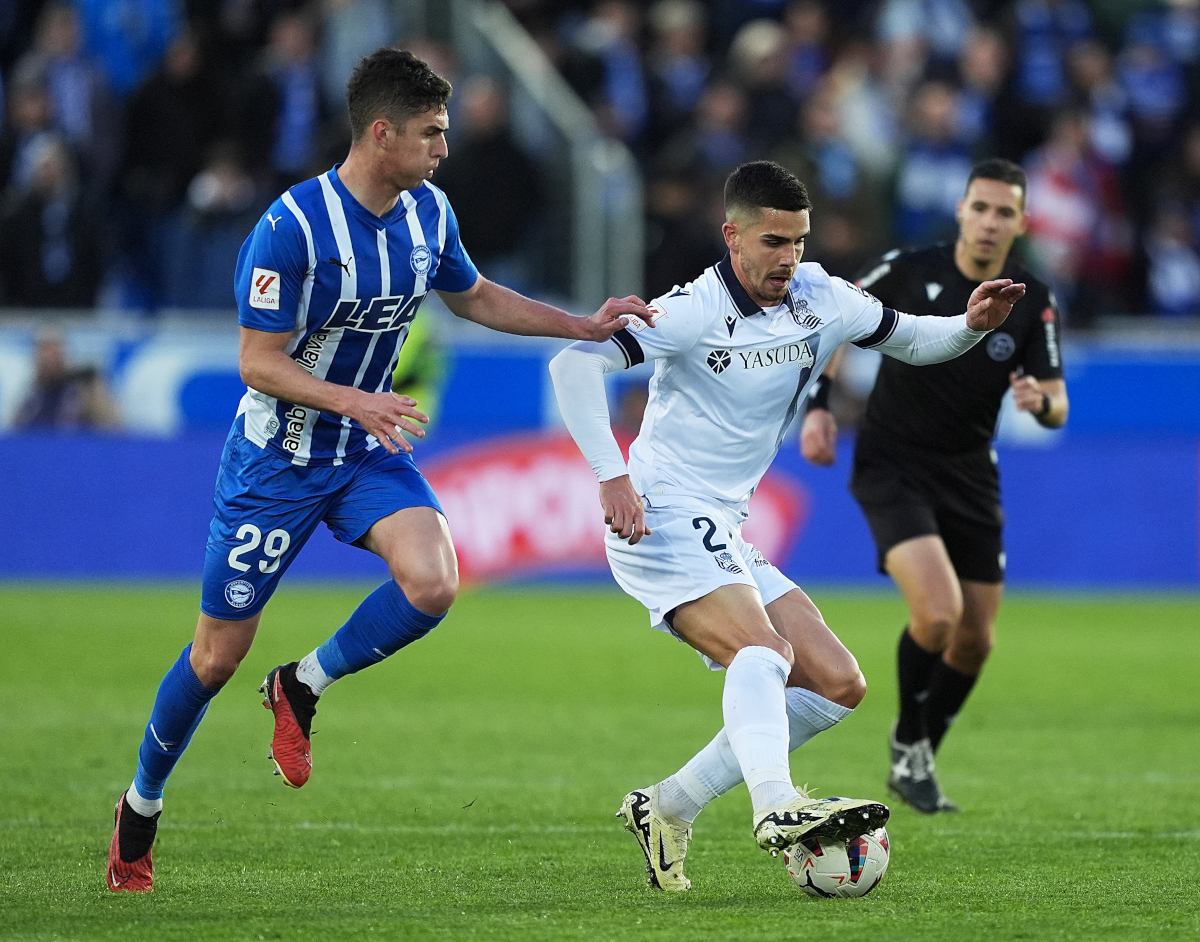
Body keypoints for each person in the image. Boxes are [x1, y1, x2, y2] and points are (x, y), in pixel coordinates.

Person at [106, 48, 648, 893]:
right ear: (382, 133)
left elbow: (472, 295)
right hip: (277, 462)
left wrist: (580, 326)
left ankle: (302, 684)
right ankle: (140, 806)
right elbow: (257, 361)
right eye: (431, 133)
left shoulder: (430, 213)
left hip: (360, 453)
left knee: (435, 581)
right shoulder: (291, 227)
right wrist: (353, 400)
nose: (443, 147)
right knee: (214, 659)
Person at [549, 159, 1025, 890]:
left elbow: (913, 338)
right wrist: (610, 476)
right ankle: (776, 804)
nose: (790, 258)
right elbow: (573, 368)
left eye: (799, 241)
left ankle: (668, 805)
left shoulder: (821, 297)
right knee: (763, 651)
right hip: (661, 512)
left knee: (836, 683)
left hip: (722, 523)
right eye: (774, 242)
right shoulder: (691, 309)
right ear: (732, 235)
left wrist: (970, 324)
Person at [800, 158, 1068, 814]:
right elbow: (839, 320)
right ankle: (910, 744)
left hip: (971, 472)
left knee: (977, 640)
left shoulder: (1033, 299)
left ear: (1021, 222)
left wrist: (1039, 403)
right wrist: (821, 403)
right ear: (962, 211)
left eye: (1004, 211)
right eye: (980, 207)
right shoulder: (910, 268)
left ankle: (915, 747)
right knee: (939, 614)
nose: (989, 221)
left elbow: (1059, 401)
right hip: (894, 464)